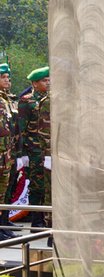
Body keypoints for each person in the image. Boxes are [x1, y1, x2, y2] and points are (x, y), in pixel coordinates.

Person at [18, 67, 51, 231]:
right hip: (34, 151)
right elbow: (21, 129)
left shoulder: (50, 99)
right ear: (35, 83)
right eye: (44, 80)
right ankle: (36, 221)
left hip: (47, 151)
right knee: (37, 186)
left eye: (49, 80)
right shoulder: (26, 101)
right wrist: (22, 154)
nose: (48, 83)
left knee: (48, 186)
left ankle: (46, 219)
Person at [0, 64, 17, 240]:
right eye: (3, 77)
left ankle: (3, 225)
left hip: (6, 154)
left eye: (7, 77)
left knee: (4, 191)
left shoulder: (6, 100)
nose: (7, 80)